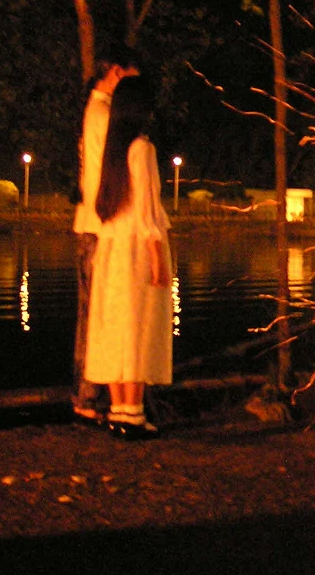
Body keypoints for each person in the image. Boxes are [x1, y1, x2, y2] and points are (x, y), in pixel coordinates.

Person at [84, 75, 173, 440]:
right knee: (139, 324)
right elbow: (146, 209)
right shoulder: (142, 149)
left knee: (116, 326)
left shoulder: (112, 151)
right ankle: (133, 414)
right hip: (136, 248)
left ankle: (120, 410)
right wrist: (157, 255)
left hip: (110, 249)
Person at [71, 46, 141, 426]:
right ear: (116, 72)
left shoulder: (94, 111)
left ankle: (92, 393)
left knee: (95, 313)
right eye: (131, 77)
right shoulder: (102, 113)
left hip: (93, 222)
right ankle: (88, 395)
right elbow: (104, 173)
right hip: (99, 226)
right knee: (97, 315)